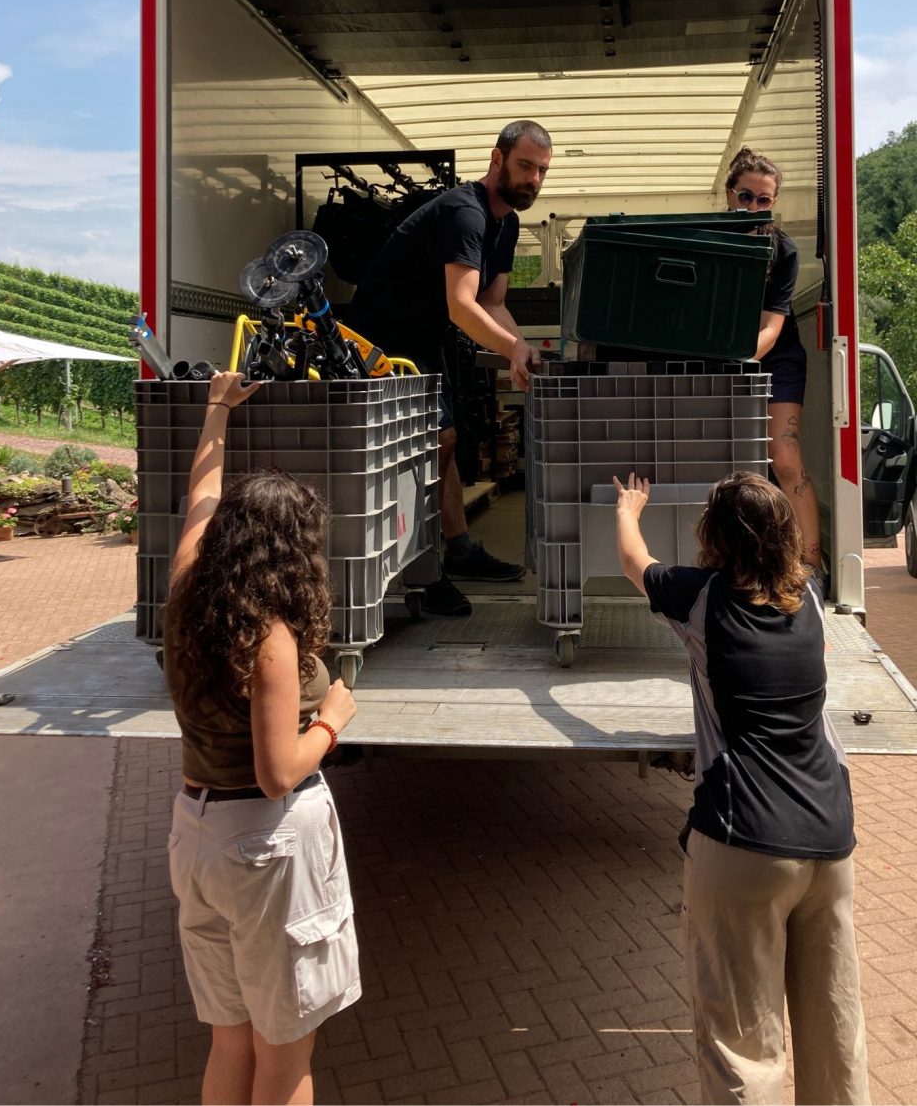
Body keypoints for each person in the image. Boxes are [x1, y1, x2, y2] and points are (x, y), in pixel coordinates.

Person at [614, 469, 869, 1106]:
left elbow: (632, 560)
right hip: (830, 843)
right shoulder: (808, 601)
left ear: (713, 537)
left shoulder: (700, 598)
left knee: (742, 1049)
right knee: (836, 1037)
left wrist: (629, 506)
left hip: (743, 842)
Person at [162, 370, 360, 1106]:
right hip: (266, 847)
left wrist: (218, 410)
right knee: (286, 1057)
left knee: (232, 1039)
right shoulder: (270, 639)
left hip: (199, 830)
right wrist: (334, 716)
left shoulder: (187, 592)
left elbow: (200, 499)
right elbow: (280, 771)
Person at [347, 120, 552, 617]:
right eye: (525, 165)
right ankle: (425, 570)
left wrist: (524, 351)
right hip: (376, 342)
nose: (534, 180)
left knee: (447, 441)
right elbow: (462, 306)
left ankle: (457, 548)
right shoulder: (466, 213)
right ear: (497, 159)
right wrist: (511, 350)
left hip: (421, 340)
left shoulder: (507, 224)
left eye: (542, 171)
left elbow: (493, 301)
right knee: (419, 452)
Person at [725, 146, 824, 579]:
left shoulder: (781, 249)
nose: (753, 206)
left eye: (763, 200)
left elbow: (773, 323)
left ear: (774, 202)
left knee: (782, 456)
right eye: (745, 196)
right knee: (725, 462)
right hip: (722, 359)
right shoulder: (707, 239)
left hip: (775, 358)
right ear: (729, 195)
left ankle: (812, 566)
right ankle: (737, 566)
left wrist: (742, 360)